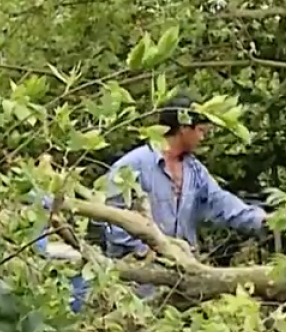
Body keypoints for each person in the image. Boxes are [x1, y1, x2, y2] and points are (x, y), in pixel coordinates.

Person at [102, 95, 268, 258]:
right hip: (137, 276)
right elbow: (113, 221)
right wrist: (148, 251)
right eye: (200, 131)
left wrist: (261, 220)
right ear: (183, 128)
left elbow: (220, 201)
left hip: (182, 273)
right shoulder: (131, 166)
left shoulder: (194, 170)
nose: (202, 138)